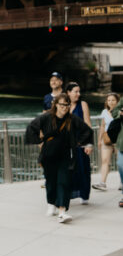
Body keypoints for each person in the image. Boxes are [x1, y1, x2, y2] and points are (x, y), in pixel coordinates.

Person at [26, 93, 94, 222]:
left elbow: (87, 131)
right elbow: (31, 128)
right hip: (49, 155)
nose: (65, 107)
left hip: (66, 156)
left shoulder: (72, 119)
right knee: (51, 182)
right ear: (56, 104)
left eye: (67, 105)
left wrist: (78, 142)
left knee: (64, 182)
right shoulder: (46, 117)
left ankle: (62, 211)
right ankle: (51, 203)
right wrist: (39, 142)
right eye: (62, 104)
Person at [65, 81, 92, 202]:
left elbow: (88, 125)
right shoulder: (63, 105)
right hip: (65, 144)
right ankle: (67, 194)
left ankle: (84, 194)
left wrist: (89, 143)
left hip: (80, 142)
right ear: (68, 93)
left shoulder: (83, 104)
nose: (78, 94)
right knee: (67, 170)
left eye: (79, 91)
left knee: (83, 168)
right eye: (75, 91)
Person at [93, 91, 120, 190]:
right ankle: (102, 183)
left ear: (117, 101)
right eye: (109, 100)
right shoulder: (104, 112)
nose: (111, 102)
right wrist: (99, 140)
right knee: (105, 161)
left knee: (120, 162)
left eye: (113, 100)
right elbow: (102, 126)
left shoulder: (120, 111)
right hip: (107, 138)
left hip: (119, 140)